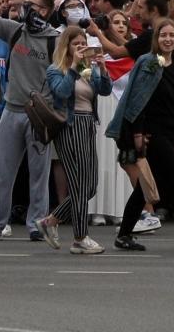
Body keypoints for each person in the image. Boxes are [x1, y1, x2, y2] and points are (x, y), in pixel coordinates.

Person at [107, 19, 174, 252]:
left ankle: (123, 235)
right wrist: (139, 135)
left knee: (147, 187)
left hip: (172, 133)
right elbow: (137, 101)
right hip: (152, 133)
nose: (168, 39)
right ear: (156, 39)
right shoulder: (147, 62)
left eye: (172, 35)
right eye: (164, 35)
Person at [0, 0, 62, 242]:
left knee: (39, 173)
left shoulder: (54, 39)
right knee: (3, 171)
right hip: (11, 110)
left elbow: (62, 73)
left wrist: (51, 106)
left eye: (32, 6)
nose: (26, 10)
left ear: (45, 11)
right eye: (25, 5)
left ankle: (37, 223)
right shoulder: (15, 31)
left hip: (38, 114)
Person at [43, 27, 113, 254]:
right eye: (76, 44)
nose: (81, 48)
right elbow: (61, 93)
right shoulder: (57, 70)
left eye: (84, 44)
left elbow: (104, 90)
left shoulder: (88, 70)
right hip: (69, 127)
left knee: (89, 184)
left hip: (87, 125)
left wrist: (102, 69)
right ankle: (80, 237)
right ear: (67, 46)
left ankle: (51, 220)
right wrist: (73, 66)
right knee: (79, 184)